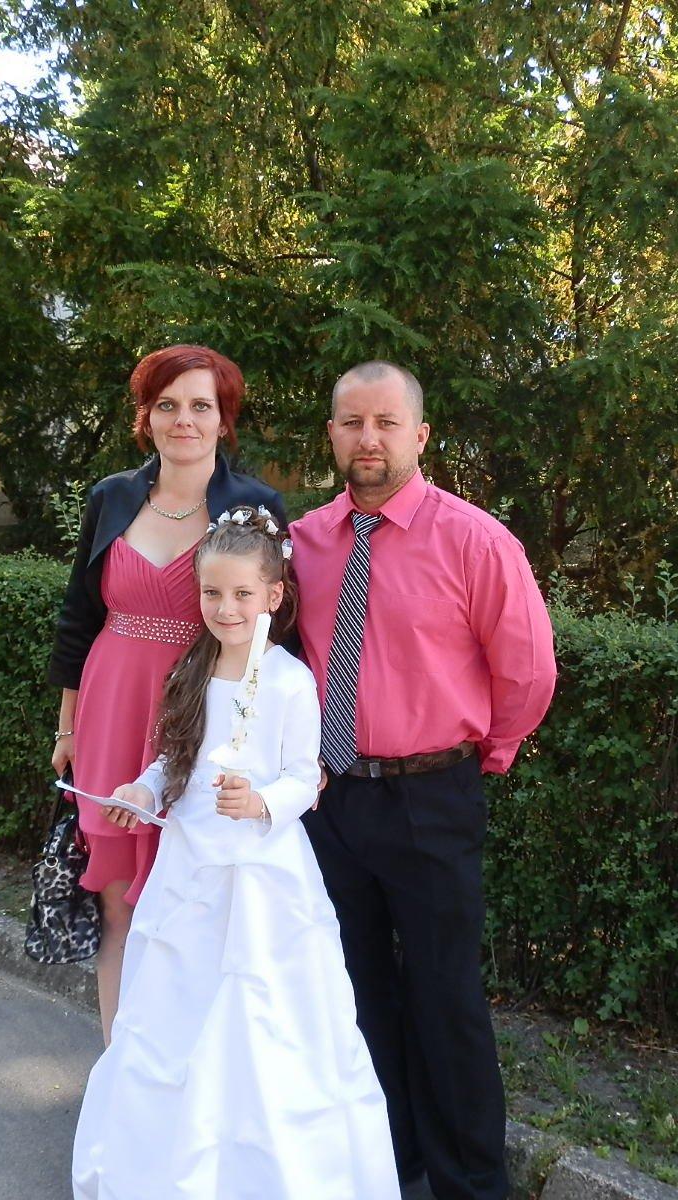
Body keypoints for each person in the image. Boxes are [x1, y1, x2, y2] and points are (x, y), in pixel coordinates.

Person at [70, 507, 400, 1200]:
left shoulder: (290, 681)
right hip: (188, 869)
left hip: (262, 874)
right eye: (212, 593)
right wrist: (142, 788)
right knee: (180, 1003)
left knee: (259, 1009)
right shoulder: (191, 671)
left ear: (273, 595)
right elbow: (174, 759)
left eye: (243, 594)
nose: (226, 608)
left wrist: (262, 803)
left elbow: (304, 777)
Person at [291, 361, 557, 1200]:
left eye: (386, 422)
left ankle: (471, 1183)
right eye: (352, 422)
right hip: (332, 801)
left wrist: (489, 754)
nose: (368, 438)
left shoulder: (475, 540)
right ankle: (385, 1164)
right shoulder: (302, 543)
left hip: (432, 797)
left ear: (420, 435)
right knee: (355, 992)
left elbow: (528, 670)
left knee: (445, 1000)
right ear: (332, 435)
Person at [47, 345, 285, 1042]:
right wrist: (67, 729)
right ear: (146, 416)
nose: (184, 419)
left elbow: (275, 632)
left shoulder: (255, 507)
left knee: (196, 906)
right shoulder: (111, 497)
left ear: (224, 420)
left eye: (201, 405)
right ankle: (120, 1068)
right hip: (112, 711)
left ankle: (189, 1075)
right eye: (167, 405)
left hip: (201, 716)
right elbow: (77, 620)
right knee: (119, 905)